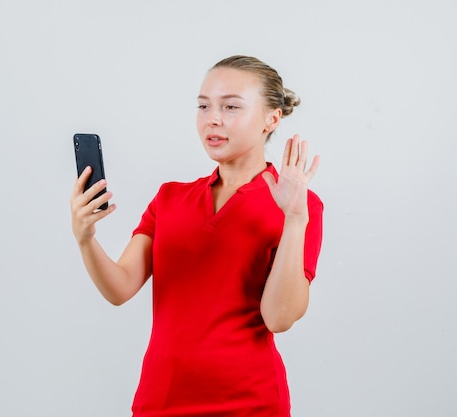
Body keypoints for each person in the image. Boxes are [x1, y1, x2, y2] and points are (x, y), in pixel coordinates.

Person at [70, 55, 323, 417]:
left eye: (231, 106)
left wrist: (295, 219)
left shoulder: (301, 205)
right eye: (203, 106)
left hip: (250, 403)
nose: (213, 119)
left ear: (272, 118)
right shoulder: (170, 198)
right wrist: (85, 238)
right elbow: (120, 288)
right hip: (161, 399)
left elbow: (279, 318)